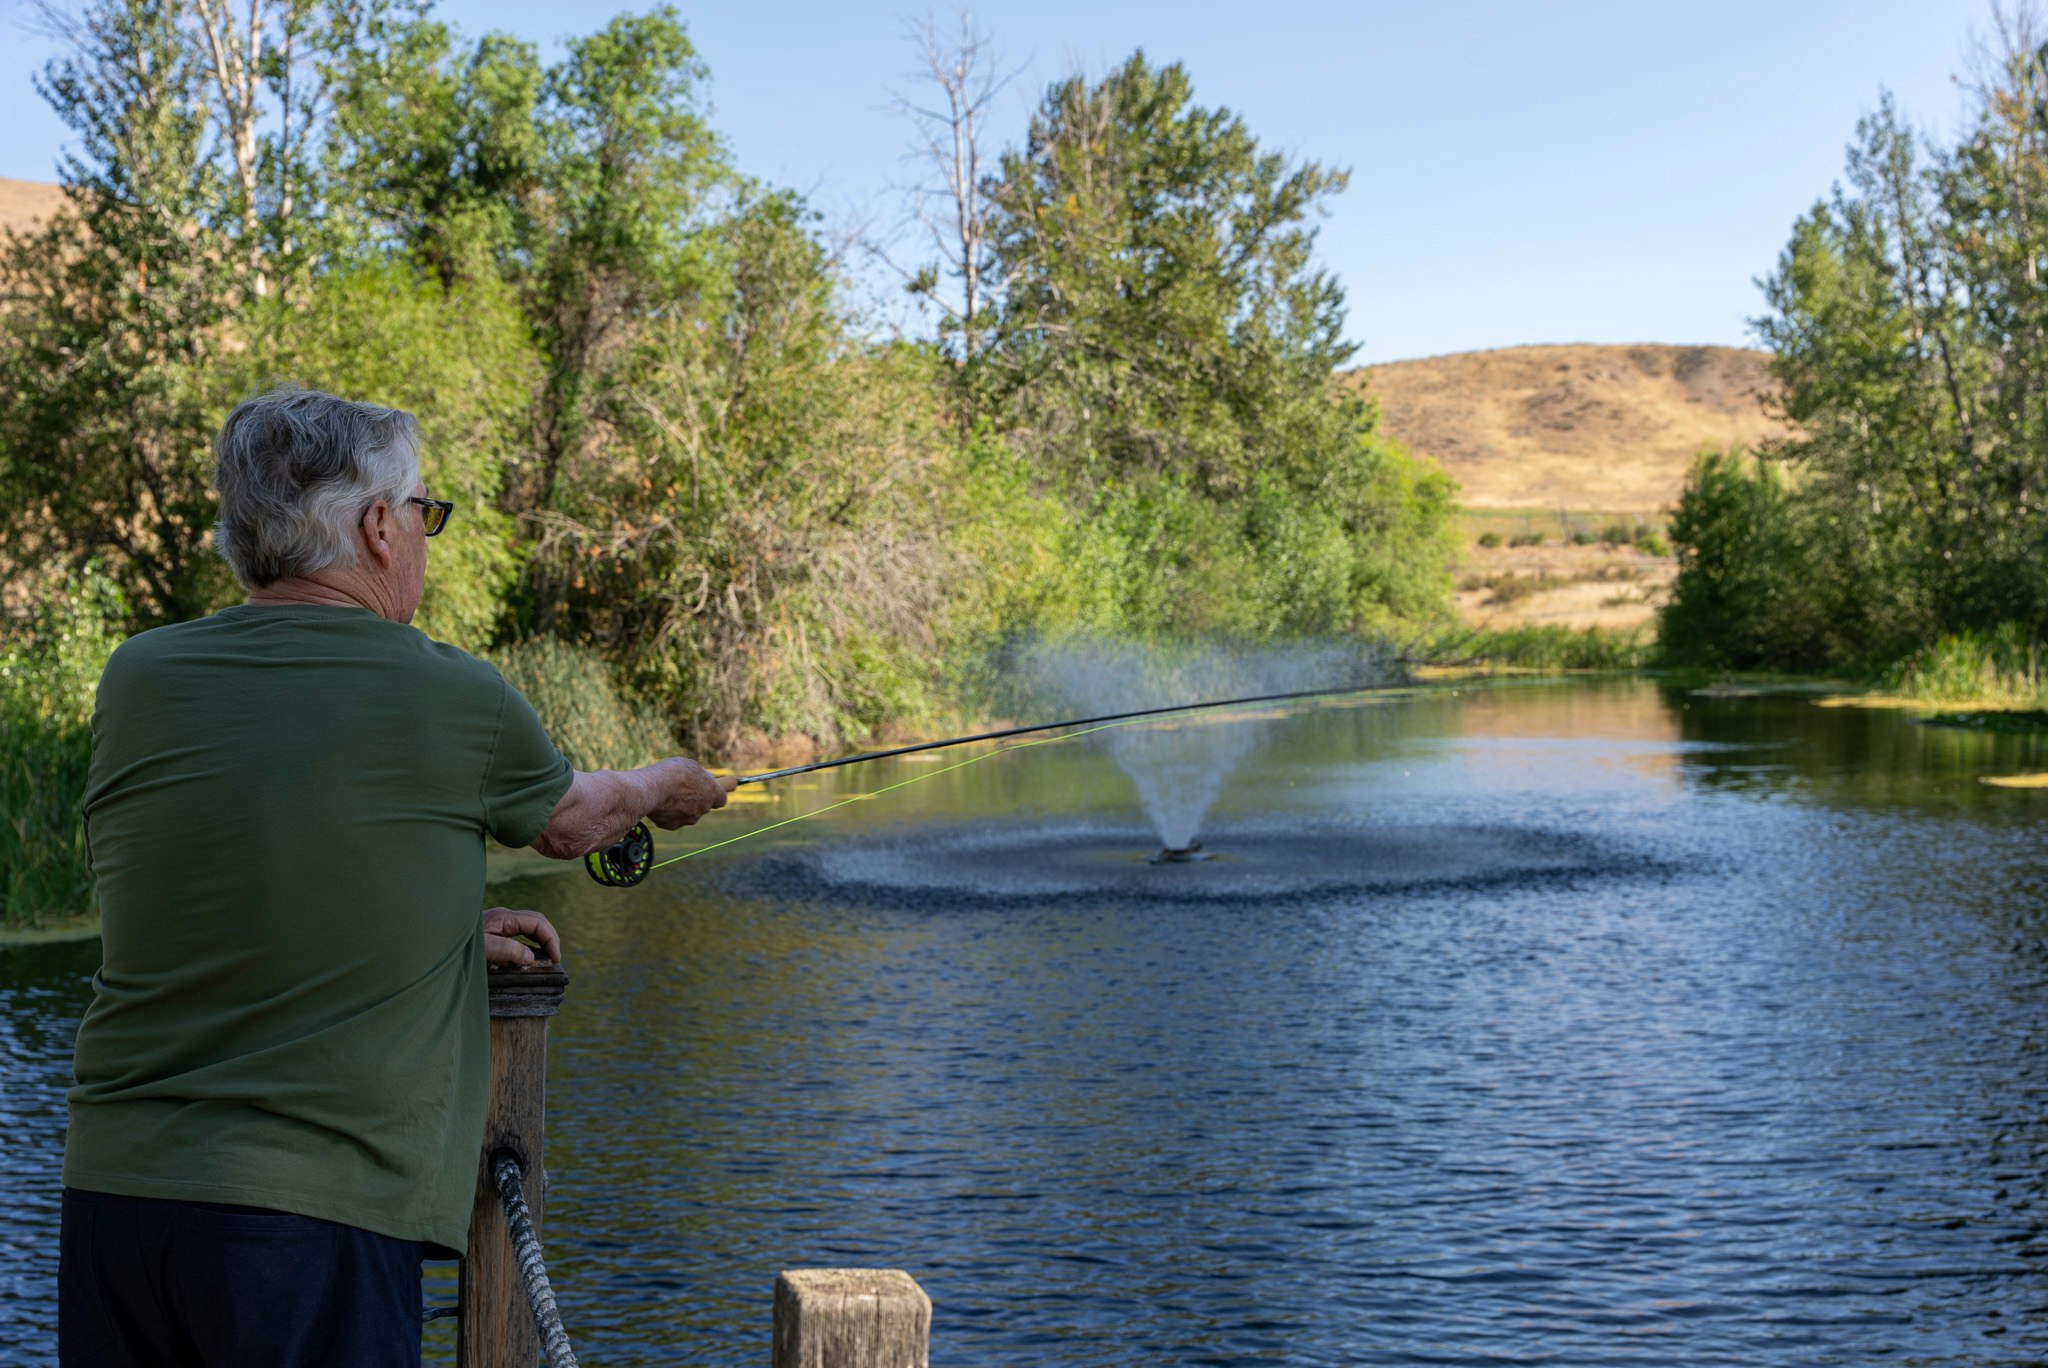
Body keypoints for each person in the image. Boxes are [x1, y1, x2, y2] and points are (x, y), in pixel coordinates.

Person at [58, 386, 731, 1367]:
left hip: (118, 1209)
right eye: (424, 511)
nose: (424, 532)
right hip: (307, 1225)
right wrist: (668, 782)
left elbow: (255, 865)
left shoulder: (138, 677)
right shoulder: (448, 691)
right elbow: (573, 822)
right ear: (378, 525)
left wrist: (447, 931)